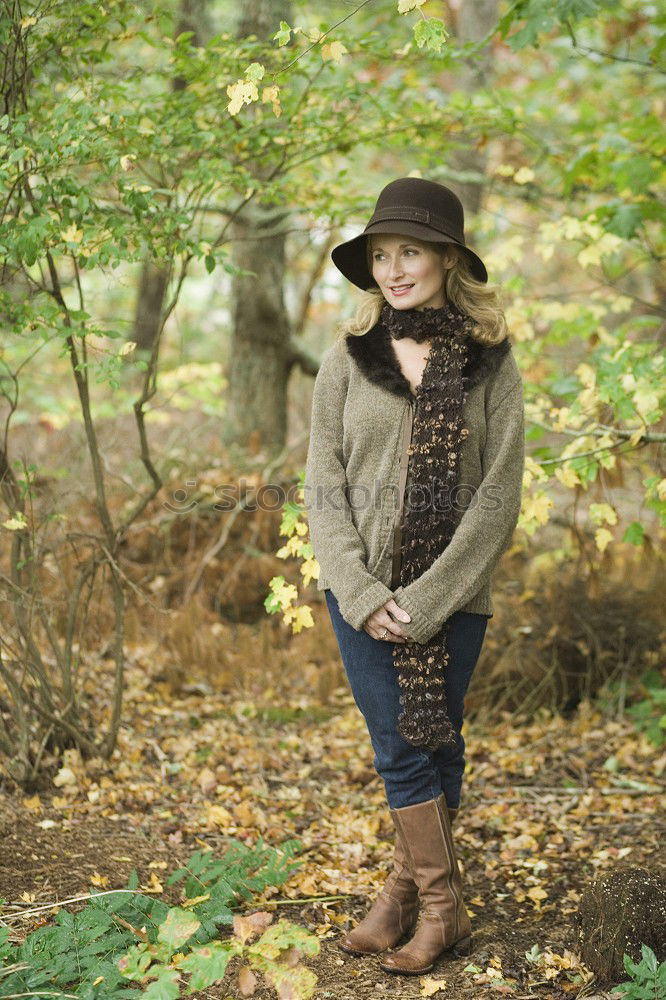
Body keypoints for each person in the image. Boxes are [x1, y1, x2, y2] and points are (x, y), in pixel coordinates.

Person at [303, 177, 525, 976]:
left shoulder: (491, 364)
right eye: (382, 255)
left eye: (412, 252)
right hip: (359, 595)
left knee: (439, 745)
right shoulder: (347, 358)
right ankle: (441, 908)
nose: (395, 268)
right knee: (401, 744)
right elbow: (320, 484)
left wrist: (428, 601)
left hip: (454, 597)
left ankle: (406, 895)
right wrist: (363, 595)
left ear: (446, 259)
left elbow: (499, 495)